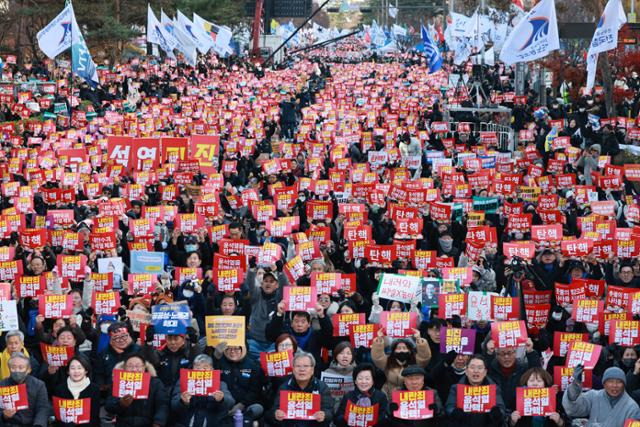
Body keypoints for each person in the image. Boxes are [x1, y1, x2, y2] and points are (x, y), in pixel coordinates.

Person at [266, 352, 333, 426]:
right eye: (298, 366)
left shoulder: (322, 387)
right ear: (293, 369)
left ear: (312, 370)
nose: (302, 369)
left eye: (306, 366)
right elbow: (272, 413)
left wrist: (324, 415)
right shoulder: (284, 387)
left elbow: (329, 412)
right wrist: (276, 414)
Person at [104, 353, 169, 427]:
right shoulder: (118, 382)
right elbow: (108, 406)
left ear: (144, 367)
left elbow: (162, 405)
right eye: (130, 366)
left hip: (148, 424)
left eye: (138, 366)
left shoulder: (155, 383)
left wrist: (158, 423)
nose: (134, 369)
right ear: (124, 367)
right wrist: (120, 404)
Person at [170, 354, 235, 427]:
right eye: (197, 367)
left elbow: (231, 402)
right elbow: (174, 404)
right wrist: (183, 402)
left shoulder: (220, 384)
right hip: (186, 422)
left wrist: (221, 399)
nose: (201, 370)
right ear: (192, 369)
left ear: (212, 369)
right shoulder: (183, 381)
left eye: (205, 367)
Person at [563, 365, 640, 425]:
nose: (615, 385)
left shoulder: (632, 407)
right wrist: (575, 385)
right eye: (610, 381)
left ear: (624, 385)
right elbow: (573, 409)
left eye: (619, 382)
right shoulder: (594, 396)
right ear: (604, 383)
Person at [446, 355, 506, 427]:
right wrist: (454, 412)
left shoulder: (494, 389)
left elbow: (501, 409)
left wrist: (497, 413)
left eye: (480, 368)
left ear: (485, 372)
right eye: (472, 367)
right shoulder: (456, 388)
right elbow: (449, 407)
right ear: (466, 371)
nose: (476, 371)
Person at [213, 341, 264, 425]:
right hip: (223, 404)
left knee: (258, 408)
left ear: (243, 348)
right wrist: (215, 357)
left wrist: (242, 404)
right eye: (229, 348)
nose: (232, 351)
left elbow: (255, 390)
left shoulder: (253, 365)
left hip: (245, 406)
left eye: (236, 348)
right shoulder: (219, 362)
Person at [372, 330, 431, 399]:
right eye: (398, 348)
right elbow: (378, 357)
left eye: (404, 348)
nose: (401, 351)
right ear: (393, 351)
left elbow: (425, 357)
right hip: (389, 394)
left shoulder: (416, 361)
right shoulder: (388, 361)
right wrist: (380, 339)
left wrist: (418, 339)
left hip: (410, 396)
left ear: (410, 351)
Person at [487, 339, 541, 410]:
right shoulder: (491, 369)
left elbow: (536, 371)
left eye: (509, 353)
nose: (506, 357)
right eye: (502, 354)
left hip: (518, 412)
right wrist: (489, 353)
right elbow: (484, 368)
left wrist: (530, 351)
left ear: (515, 353)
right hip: (497, 413)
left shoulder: (523, 368)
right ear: (497, 355)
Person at [0, 352, 50, 427]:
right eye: (13, 367)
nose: (17, 370)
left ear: (28, 370)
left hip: (32, 424)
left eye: (21, 367)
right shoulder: (2, 385)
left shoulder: (39, 385)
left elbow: (42, 408)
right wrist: (3, 415)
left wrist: (38, 425)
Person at [52, 355, 101, 427]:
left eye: (79, 368)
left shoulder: (94, 389)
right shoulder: (60, 389)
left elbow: (94, 416)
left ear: (86, 371)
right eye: (72, 368)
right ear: (68, 371)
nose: (76, 371)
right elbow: (59, 417)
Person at [334, 363, 388, 427]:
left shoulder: (381, 397)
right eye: (360, 378)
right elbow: (337, 418)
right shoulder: (348, 396)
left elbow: (384, 419)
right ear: (355, 381)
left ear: (373, 381)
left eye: (367, 379)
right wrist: (347, 419)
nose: (363, 382)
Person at [93, 322, 141, 391]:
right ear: (111, 339)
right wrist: (103, 387)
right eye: (116, 338)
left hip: (136, 390)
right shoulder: (104, 354)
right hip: (111, 393)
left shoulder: (139, 350)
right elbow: (98, 374)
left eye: (124, 336)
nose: (121, 340)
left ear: (129, 335)